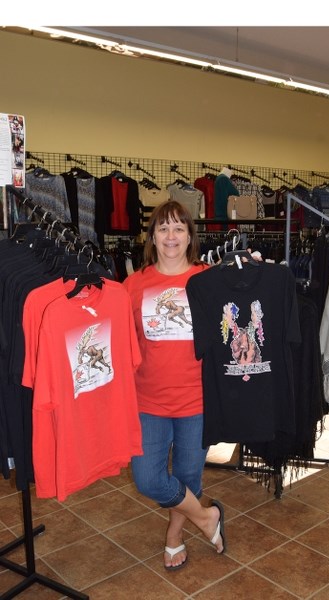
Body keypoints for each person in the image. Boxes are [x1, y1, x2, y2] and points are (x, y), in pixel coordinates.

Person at [123, 200, 225, 571]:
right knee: (148, 479)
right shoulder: (133, 286)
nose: (171, 236)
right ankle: (205, 517)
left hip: (197, 401)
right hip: (147, 401)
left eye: (179, 228)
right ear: (152, 237)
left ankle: (175, 536)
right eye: (163, 228)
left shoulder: (209, 280)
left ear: (189, 236)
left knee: (187, 477)